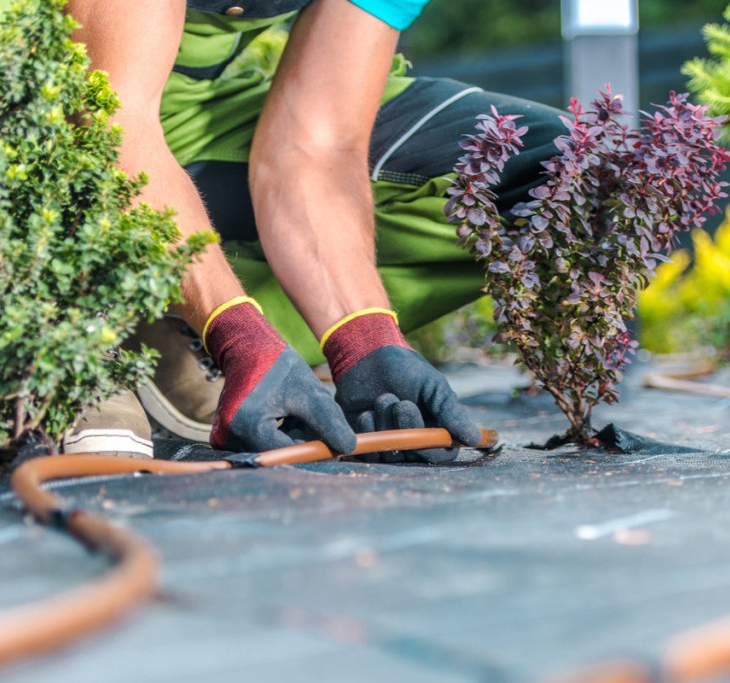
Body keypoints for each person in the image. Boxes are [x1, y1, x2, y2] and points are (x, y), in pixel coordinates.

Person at [56, 0, 563, 461]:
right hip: (63, 93)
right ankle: (74, 319)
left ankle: (178, 320)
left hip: (201, 115)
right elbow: (110, 115)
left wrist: (364, 341)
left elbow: (315, 146)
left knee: (575, 169)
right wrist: (238, 338)